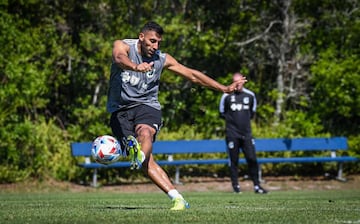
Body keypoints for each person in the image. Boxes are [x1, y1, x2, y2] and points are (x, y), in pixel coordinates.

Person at [107, 21, 247, 210]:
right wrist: (135, 67)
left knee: (145, 133)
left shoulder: (162, 59)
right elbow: (118, 58)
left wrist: (224, 88)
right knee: (147, 161)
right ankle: (177, 198)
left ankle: (137, 155)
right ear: (141, 37)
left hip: (147, 106)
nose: (155, 46)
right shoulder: (123, 45)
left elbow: (193, 75)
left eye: (158, 43)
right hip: (120, 110)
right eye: (152, 41)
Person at [219, 72, 268, 194]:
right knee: (234, 161)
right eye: (235, 82)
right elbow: (222, 113)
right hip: (232, 134)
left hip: (246, 134)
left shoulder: (250, 95)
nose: (237, 84)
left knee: (252, 159)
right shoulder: (226, 96)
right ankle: (236, 187)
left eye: (239, 81)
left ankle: (257, 186)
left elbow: (252, 113)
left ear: (243, 81)